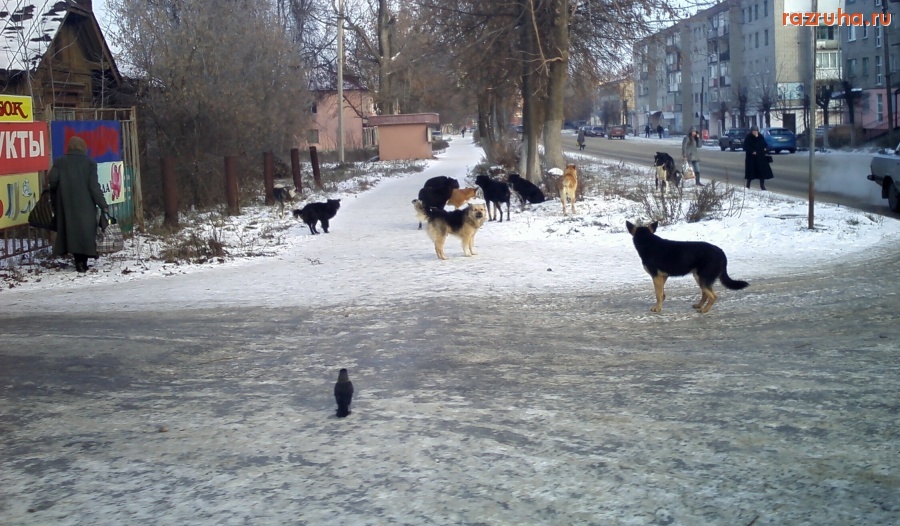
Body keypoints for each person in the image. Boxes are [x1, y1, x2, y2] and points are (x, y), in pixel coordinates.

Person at [48, 136, 109, 273]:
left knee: (71, 231)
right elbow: (94, 187)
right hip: (86, 205)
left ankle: (78, 261)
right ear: (83, 148)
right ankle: (83, 262)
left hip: (65, 204)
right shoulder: (90, 163)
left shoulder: (60, 162)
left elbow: (52, 180)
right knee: (85, 232)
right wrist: (102, 204)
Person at [743, 126, 774, 190]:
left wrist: (766, 148)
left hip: (761, 157)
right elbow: (746, 146)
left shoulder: (760, 137)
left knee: (762, 172)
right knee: (751, 172)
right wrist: (752, 151)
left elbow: (765, 144)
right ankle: (748, 185)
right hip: (751, 159)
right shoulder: (748, 137)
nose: (755, 132)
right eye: (754, 131)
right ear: (751, 131)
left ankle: (762, 186)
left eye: (756, 131)